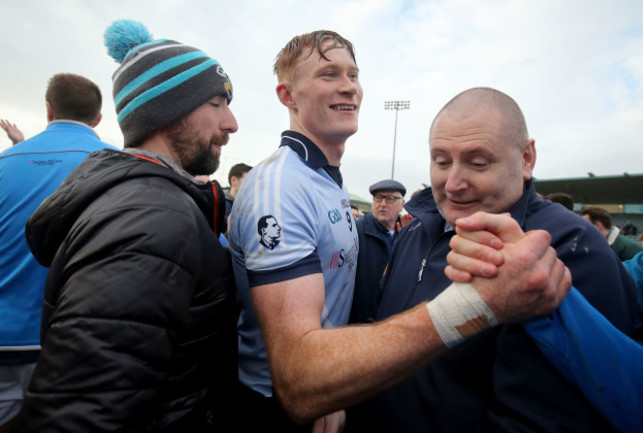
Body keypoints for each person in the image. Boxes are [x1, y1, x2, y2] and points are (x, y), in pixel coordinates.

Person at [228, 35, 571, 432]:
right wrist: (474, 305)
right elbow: (297, 374)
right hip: (278, 405)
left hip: (332, 391)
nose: (349, 86)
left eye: (353, 75)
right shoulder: (282, 185)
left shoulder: (325, 179)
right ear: (288, 95)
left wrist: (337, 388)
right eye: (328, 74)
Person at [357, 87, 639, 432]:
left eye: (479, 163)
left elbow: (550, 419)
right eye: (441, 161)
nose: (453, 183)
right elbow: (379, 326)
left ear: (526, 159)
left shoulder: (571, 248)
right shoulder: (415, 230)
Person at [15, 19, 239, 432]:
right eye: (216, 104)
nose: (231, 123)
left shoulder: (151, 202)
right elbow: (82, 413)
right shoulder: (152, 217)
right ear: (166, 111)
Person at [446, 212, 643, 433]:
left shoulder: (582, 237)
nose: (455, 185)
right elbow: (621, 288)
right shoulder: (640, 266)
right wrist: (530, 267)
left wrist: (536, 282)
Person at [0, 73, 117, 430]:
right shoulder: (117, 166)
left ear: (49, 109)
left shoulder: (4, 163)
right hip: (76, 343)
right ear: (98, 118)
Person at [349, 179, 405, 324]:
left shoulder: (409, 234)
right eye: (378, 198)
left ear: (402, 204)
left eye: (390, 199)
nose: (383, 204)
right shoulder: (355, 232)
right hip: (360, 324)